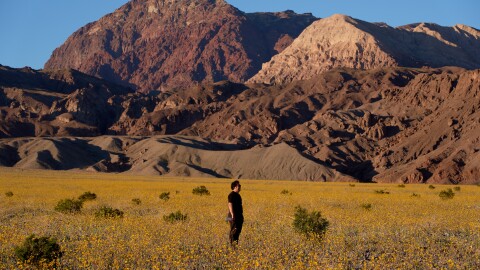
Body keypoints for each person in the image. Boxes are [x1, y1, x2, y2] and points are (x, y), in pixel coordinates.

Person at [228, 180, 243, 245]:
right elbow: (230, 204)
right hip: (233, 216)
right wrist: (232, 214)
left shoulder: (238, 195)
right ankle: (232, 245)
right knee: (234, 230)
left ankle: (235, 245)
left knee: (238, 231)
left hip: (238, 215)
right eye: (238, 186)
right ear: (234, 187)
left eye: (240, 186)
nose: (240, 187)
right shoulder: (231, 195)